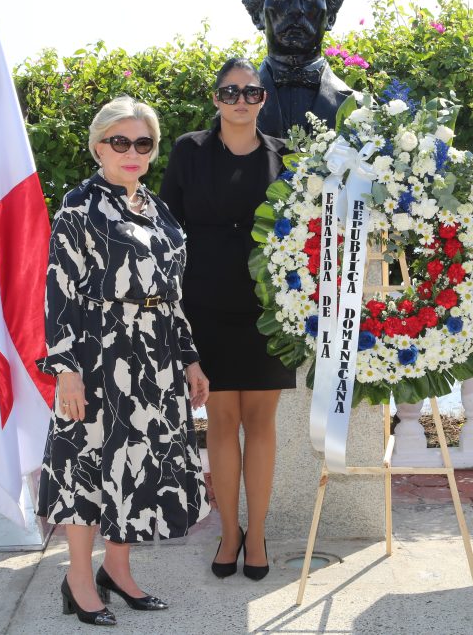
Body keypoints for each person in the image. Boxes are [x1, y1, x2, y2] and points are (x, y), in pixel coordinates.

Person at [36, 96, 211, 626]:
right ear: (97, 147)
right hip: (98, 353)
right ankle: (79, 580)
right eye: (120, 142)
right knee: (88, 467)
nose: (131, 152)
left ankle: (118, 570)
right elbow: (59, 293)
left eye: (143, 143)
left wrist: (190, 359)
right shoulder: (78, 208)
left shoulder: (156, 210)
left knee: (138, 468)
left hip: (155, 356)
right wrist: (65, 368)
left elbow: (172, 294)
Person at [159, 58, 295, 581]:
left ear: (263, 99)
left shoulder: (287, 155)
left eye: (251, 93)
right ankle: (229, 531)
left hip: (270, 309)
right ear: (215, 98)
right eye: (230, 92)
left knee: (261, 423)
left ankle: (257, 534)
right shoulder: (188, 151)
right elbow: (168, 226)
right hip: (205, 303)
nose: (241, 101)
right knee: (220, 421)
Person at [242, 0, 353, 138]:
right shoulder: (231, 107)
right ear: (257, 15)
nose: (295, 9)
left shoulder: (361, 110)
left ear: (331, 16)